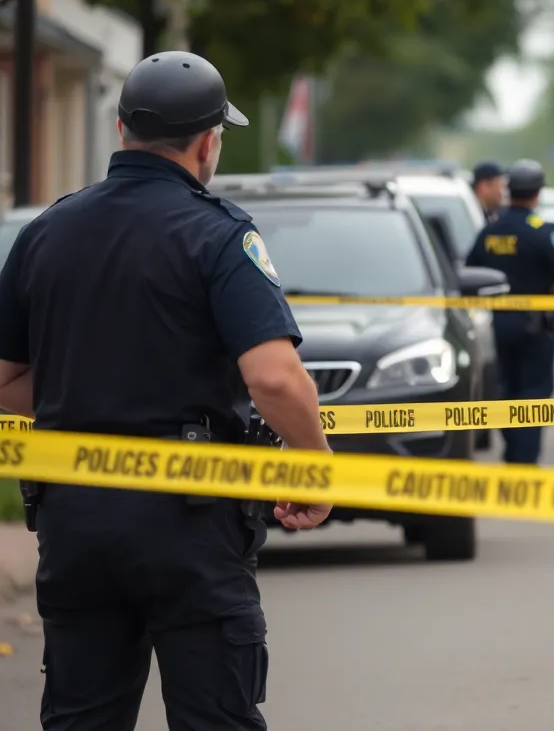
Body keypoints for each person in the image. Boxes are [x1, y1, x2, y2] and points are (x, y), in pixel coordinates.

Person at [0, 50, 333, 730]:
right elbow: (272, 376)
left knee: (81, 718)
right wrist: (314, 462)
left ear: (122, 129)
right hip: (189, 515)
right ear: (209, 141)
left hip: (76, 514)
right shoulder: (217, 234)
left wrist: (90, 394)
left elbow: (4, 380)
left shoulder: (45, 233)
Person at [465, 159, 554, 464]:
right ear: (537, 193)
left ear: (508, 190)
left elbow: (469, 274)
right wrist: (544, 294)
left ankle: (512, 449)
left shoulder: (490, 232)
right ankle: (525, 460)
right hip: (535, 327)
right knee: (534, 391)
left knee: (505, 388)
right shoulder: (542, 232)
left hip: (496, 326)